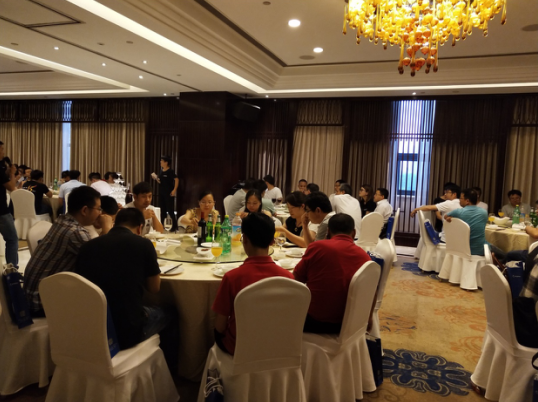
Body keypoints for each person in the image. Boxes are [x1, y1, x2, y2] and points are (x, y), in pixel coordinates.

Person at [76, 208, 176, 354]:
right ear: (140, 228)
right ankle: (168, 365)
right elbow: (154, 288)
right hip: (126, 333)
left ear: (115, 223)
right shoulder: (143, 244)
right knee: (171, 312)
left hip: (91, 328)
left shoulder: (87, 247)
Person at [212, 213, 294, 355]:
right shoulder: (288, 278)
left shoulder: (232, 278)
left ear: (245, 239)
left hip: (239, 348)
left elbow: (220, 326)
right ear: (272, 241)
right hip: (278, 347)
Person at [23, 186, 103, 316]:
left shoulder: (62, 220)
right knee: (104, 297)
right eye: (98, 209)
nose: (100, 213)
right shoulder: (75, 232)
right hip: (42, 302)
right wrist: (107, 228)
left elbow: (95, 251)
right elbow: (103, 260)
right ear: (84, 210)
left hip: (33, 295)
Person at [294, 213, 372, 333]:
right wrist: (369, 319)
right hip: (350, 325)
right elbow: (371, 292)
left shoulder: (317, 247)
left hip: (314, 321)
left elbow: (296, 279)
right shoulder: (364, 257)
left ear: (328, 231)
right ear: (353, 233)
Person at [443, 188, 488, 256]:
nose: (459, 200)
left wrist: (452, 218)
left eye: (461, 198)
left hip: (461, 250)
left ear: (467, 201)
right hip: (480, 250)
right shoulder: (484, 212)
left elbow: (445, 216)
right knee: (501, 254)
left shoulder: (458, 212)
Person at [0, 141, 20, 267]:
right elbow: (12, 187)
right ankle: (12, 270)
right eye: (2, 149)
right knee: (12, 239)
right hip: (1, 211)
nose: (3, 152)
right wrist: (12, 172)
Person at [153, 155, 179, 232]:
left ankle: (175, 226)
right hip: (161, 192)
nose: (160, 162)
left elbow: (176, 179)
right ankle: (161, 225)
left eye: (162, 161)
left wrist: (174, 190)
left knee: (170, 210)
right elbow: (160, 181)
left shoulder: (170, 171)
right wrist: (156, 178)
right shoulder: (161, 171)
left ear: (166, 162)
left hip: (169, 192)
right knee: (162, 210)